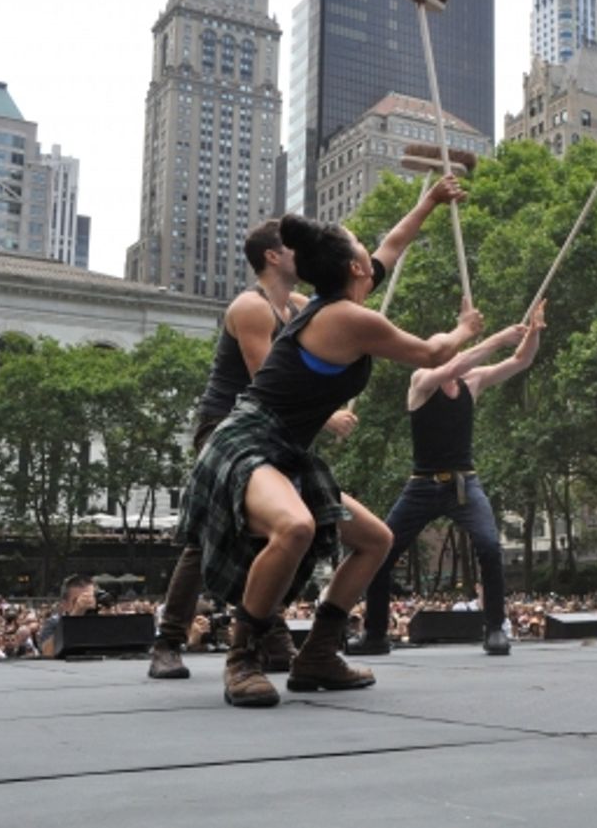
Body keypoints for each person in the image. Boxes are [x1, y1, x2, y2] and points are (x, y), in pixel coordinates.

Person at [177, 176, 483, 708]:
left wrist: (427, 204)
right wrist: (463, 329)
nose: (373, 254)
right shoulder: (346, 318)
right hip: (246, 443)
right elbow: (434, 353)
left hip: (287, 451)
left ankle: (318, 652)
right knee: (293, 527)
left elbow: (392, 244)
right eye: (364, 252)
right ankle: (241, 658)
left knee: (375, 539)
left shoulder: (337, 299)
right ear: (356, 270)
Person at [149, 218, 359, 681]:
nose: (302, 255)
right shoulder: (251, 307)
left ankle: (268, 631)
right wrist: (329, 416)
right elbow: (269, 377)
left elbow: (361, 284)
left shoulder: (299, 305)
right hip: (227, 429)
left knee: (279, 530)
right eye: (294, 249)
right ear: (274, 256)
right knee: (209, 533)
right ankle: (168, 639)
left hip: (272, 435)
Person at [352, 300, 546, 658]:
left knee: (489, 546)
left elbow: (521, 361)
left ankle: (494, 629)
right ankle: (376, 633)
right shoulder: (421, 381)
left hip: (463, 483)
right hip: (422, 485)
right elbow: (457, 363)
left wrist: (532, 333)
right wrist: (498, 339)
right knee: (381, 548)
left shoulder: (472, 382)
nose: (451, 357)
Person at [38, 576, 97, 657]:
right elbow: (47, 653)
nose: (85, 604)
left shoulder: (98, 621)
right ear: (65, 604)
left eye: (90, 599)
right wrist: (75, 615)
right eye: (77, 601)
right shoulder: (55, 622)